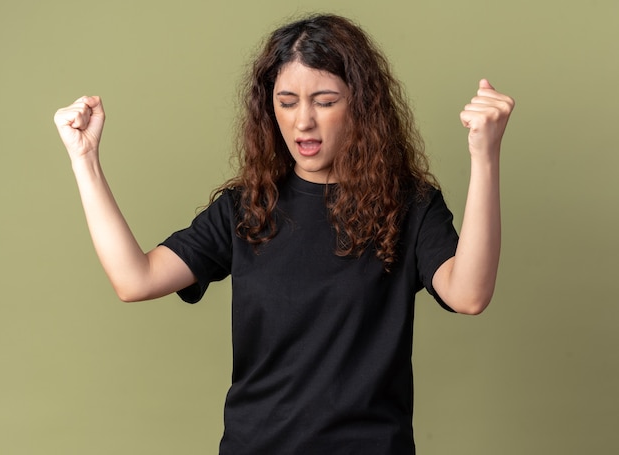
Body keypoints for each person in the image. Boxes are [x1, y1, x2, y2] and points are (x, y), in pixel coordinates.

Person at [54, 13, 514, 455]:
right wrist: (85, 159)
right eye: (287, 102)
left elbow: (468, 294)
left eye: (326, 101)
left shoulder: (409, 205)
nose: (303, 121)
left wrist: (484, 155)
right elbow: (135, 280)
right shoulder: (246, 208)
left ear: (363, 105)